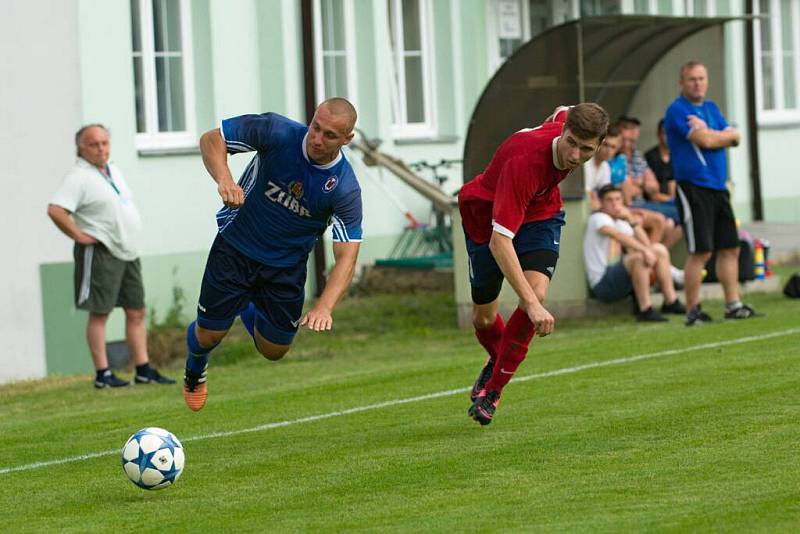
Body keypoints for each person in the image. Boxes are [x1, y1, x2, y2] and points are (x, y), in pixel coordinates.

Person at [183, 98, 363, 411]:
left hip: (286, 268)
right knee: (209, 335)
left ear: (347, 139)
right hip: (236, 246)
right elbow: (212, 140)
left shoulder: (344, 187)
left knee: (275, 350)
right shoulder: (276, 131)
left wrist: (324, 307)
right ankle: (195, 368)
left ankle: (246, 304)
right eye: (315, 127)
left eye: (330, 135)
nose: (317, 139)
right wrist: (224, 178)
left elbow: (347, 255)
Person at [458, 103, 609, 426]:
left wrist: (533, 300)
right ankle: (497, 359)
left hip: (540, 213)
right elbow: (501, 242)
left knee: (537, 293)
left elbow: (560, 109)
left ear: (598, 145)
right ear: (564, 132)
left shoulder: (566, 126)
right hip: (485, 217)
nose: (574, 155)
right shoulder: (525, 164)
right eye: (571, 143)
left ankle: (492, 392)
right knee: (484, 318)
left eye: (586, 149)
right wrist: (530, 305)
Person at [47, 125, 175, 388]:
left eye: (105, 142)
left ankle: (143, 369)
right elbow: (56, 210)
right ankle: (103, 374)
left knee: (136, 310)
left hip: (127, 250)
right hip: (101, 252)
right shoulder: (77, 177)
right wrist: (79, 236)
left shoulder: (112, 170)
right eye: (94, 144)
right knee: (100, 312)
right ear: (81, 148)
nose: (101, 148)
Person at [664, 60, 757, 325]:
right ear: (682, 83)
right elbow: (705, 140)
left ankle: (733, 304)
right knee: (701, 250)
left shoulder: (711, 108)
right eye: (692, 79)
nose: (698, 83)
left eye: (702, 78)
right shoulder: (677, 110)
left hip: (718, 187)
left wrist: (714, 133)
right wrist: (719, 135)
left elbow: (736, 137)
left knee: (730, 247)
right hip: (694, 187)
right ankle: (693, 310)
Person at [583, 185, 685, 321]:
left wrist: (631, 221)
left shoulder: (620, 221)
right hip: (602, 283)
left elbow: (647, 245)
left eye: (618, 199)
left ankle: (670, 301)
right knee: (638, 258)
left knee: (659, 249)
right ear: (601, 203)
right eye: (609, 200)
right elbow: (618, 236)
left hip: (621, 279)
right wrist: (644, 251)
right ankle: (645, 309)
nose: (615, 204)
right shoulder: (598, 218)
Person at [584, 125, 622, 211]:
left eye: (613, 147)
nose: (609, 150)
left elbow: (607, 194)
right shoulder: (585, 162)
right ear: (598, 143)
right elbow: (587, 194)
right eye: (606, 145)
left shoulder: (605, 167)